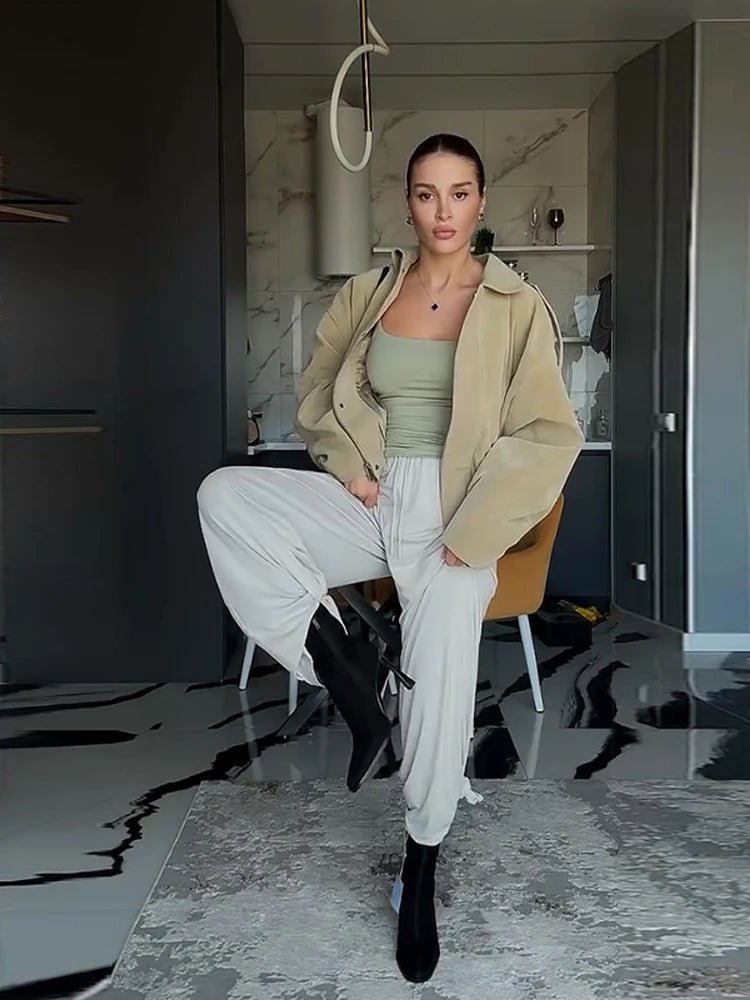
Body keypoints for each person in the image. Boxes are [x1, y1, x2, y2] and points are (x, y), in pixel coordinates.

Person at [196, 133, 583, 984]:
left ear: (480, 202)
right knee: (227, 497)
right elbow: (318, 393)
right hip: (375, 497)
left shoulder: (517, 304)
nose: (443, 211)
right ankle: (352, 675)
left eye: (459, 192)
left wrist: (473, 533)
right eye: (426, 193)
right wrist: (349, 463)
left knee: (439, 686)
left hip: (460, 513)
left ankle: (421, 864)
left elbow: (548, 435)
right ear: (406, 203)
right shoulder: (370, 293)